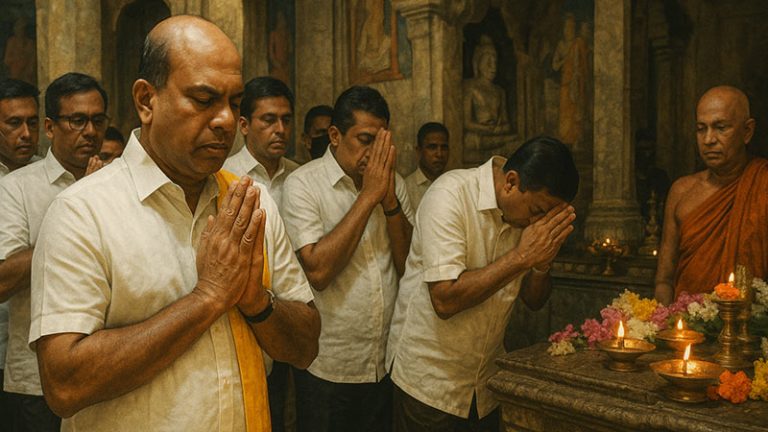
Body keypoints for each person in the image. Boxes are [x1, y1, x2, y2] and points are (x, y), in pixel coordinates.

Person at [29, 16, 320, 431]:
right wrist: (208, 297)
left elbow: (306, 346)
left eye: (234, 103)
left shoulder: (248, 203)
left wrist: (256, 301)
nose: (224, 120)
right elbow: (64, 384)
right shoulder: (82, 211)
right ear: (147, 100)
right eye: (203, 100)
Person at [387, 136, 578, 432]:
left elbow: (534, 300)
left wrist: (542, 263)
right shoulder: (450, 195)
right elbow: (445, 299)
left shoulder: (523, 218)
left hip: (485, 384)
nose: (536, 223)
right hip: (429, 382)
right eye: (538, 210)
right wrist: (522, 257)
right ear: (511, 183)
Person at [282, 85, 414, 432]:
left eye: (383, 141)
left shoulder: (394, 184)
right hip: (327, 363)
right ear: (335, 136)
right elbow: (319, 271)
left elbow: (409, 267)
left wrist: (389, 204)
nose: (376, 153)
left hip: (383, 360)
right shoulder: (303, 185)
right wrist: (368, 197)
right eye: (366, 139)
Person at [0, 71, 109, 432]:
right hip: (37, 378)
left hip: (109, 370)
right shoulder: (16, 188)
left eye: (97, 120)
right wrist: (77, 205)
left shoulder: (121, 184)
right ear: (51, 128)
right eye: (77, 121)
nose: (90, 132)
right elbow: (3, 280)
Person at [654, 86, 768, 304]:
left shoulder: (762, 185)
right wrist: (665, 325)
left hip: (750, 331)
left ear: (747, 132)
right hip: (685, 330)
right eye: (701, 128)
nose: (708, 140)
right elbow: (664, 280)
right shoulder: (682, 191)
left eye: (720, 128)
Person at [0, 77, 40, 431]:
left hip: (28, 354)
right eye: (14, 123)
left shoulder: (49, 174)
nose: (26, 133)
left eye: (32, 122)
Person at [224, 76, 298, 209]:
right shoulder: (225, 175)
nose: (281, 130)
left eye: (286, 120)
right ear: (244, 125)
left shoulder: (298, 175)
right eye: (269, 120)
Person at [462, 35, 513, 165]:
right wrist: (485, 129)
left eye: (495, 62)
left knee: (517, 141)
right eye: (488, 61)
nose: (493, 66)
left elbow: (506, 124)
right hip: (478, 136)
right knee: (470, 141)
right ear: (478, 63)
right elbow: (467, 123)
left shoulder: (499, 91)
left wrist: (498, 129)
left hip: (496, 135)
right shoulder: (470, 87)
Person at [405, 122, 449, 209]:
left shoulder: (453, 185)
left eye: (444, 147)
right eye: (432, 147)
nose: (439, 154)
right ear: (419, 151)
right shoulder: (407, 189)